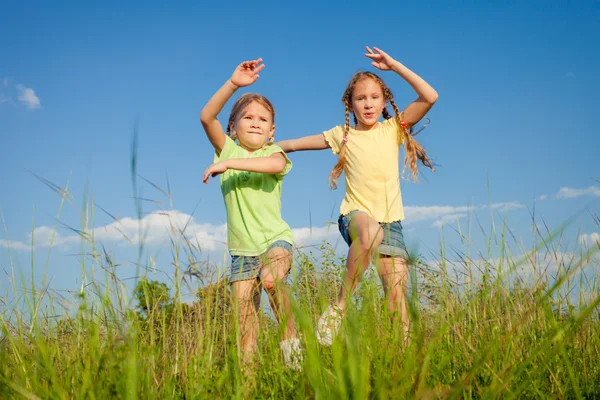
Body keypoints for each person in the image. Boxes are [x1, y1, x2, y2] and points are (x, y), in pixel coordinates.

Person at [277, 46, 438, 346]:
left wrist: (395, 66)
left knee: (398, 303)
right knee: (370, 233)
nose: (368, 104)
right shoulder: (343, 134)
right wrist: (272, 147)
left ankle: (399, 369)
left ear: (384, 100)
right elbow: (297, 144)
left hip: (392, 223)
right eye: (360, 98)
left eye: (374, 97)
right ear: (349, 105)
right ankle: (340, 306)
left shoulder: (394, 129)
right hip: (356, 216)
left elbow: (430, 96)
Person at [200, 58, 302, 370]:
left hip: (276, 241)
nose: (255, 122)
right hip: (241, 252)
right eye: (247, 117)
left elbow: (272, 167)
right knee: (245, 328)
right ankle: (249, 383)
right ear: (233, 127)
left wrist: (228, 165)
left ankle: (294, 353)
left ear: (272, 131)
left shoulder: (274, 153)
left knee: (271, 280)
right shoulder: (227, 149)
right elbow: (206, 117)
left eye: (263, 119)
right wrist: (233, 83)